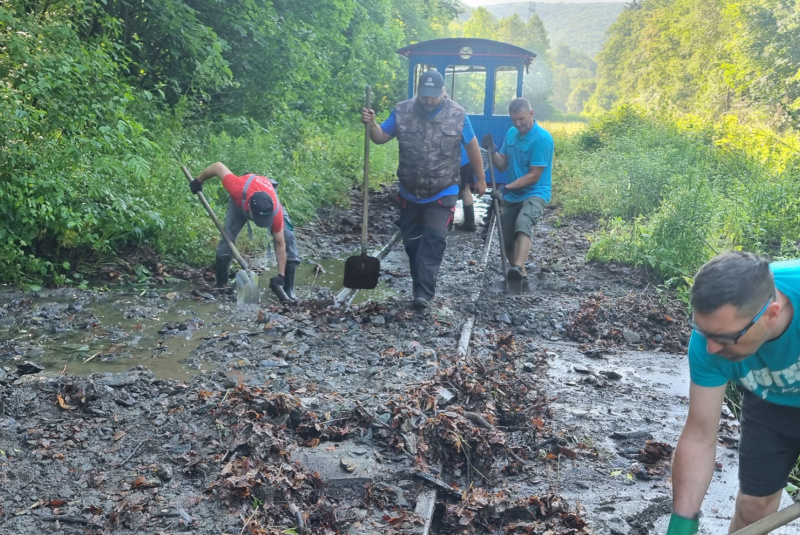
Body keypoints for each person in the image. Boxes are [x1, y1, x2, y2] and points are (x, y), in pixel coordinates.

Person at [668, 251, 800, 534]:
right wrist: (680, 527)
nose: (712, 349)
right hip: (771, 402)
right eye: (704, 333)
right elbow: (699, 435)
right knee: (755, 508)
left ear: (771, 314)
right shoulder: (710, 340)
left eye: (725, 338)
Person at [360, 69, 486, 310]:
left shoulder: (458, 115)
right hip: (410, 190)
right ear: (418, 92)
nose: (428, 100)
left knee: (435, 238)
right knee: (413, 244)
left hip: (443, 187)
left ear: (442, 92)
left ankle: (423, 294)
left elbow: (472, 147)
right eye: (424, 95)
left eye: (433, 96)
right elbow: (380, 137)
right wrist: (371, 123)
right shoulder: (402, 110)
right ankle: (420, 286)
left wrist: (481, 179)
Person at [188, 162, 301, 303]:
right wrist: (198, 181)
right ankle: (221, 284)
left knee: (287, 237)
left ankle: (287, 288)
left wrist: (280, 276)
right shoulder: (236, 187)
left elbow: (280, 245)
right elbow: (218, 166)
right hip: (241, 200)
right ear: (249, 209)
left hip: (266, 198)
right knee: (227, 239)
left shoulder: (275, 212)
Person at [482, 98, 553, 292]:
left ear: (531, 113)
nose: (517, 124)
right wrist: (493, 149)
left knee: (523, 223)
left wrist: (504, 189)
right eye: (513, 120)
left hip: (535, 192)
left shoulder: (542, 139)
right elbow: (502, 164)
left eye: (521, 119)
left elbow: (533, 176)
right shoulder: (512, 133)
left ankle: (517, 267)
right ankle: (520, 278)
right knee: (505, 237)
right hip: (513, 195)